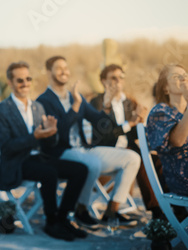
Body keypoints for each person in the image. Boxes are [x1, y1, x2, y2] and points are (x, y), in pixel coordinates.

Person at [36, 56, 140, 227]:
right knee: (92, 163)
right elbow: (58, 133)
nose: (64, 71)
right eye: (59, 68)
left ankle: (111, 210)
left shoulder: (74, 97)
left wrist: (112, 110)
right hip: (60, 153)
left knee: (132, 158)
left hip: (85, 149)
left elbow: (102, 123)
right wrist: (75, 107)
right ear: (49, 72)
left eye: (66, 67)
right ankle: (81, 210)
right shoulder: (43, 101)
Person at [0, 62, 88, 241]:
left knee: (80, 170)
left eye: (28, 79)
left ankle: (62, 217)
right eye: (20, 80)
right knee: (49, 173)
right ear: (10, 83)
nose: (25, 83)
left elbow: (48, 142)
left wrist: (51, 133)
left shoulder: (38, 107)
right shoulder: (1, 110)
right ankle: (51, 222)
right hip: (16, 163)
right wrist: (34, 136)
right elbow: (6, 147)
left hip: (39, 157)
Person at [90, 64, 163, 219]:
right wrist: (129, 123)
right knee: (142, 160)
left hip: (127, 147)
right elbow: (104, 135)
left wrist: (141, 122)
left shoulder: (129, 102)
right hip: (106, 149)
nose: (118, 81)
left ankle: (171, 206)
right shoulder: (97, 103)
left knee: (157, 160)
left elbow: (135, 132)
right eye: (113, 78)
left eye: (121, 77)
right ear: (104, 81)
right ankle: (155, 211)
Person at [147, 64, 188, 196]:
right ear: (165, 88)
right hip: (181, 176)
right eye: (177, 76)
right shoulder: (160, 111)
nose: (183, 79)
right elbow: (177, 141)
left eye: (186, 76)